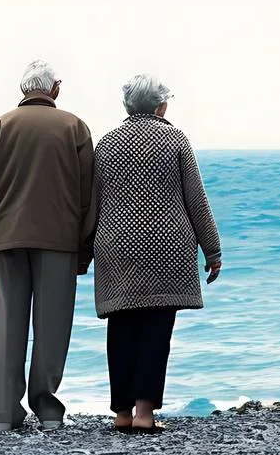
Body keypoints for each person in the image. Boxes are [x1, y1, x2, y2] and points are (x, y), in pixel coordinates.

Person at [0, 59, 98, 432]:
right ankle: (48, 410)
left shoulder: (0, 127)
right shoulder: (74, 127)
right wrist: (84, 248)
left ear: (24, 89)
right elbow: (88, 195)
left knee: (7, 327)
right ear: (55, 88)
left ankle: (5, 414)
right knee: (52, 328)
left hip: (6, 238)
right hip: (59, 239)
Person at [92, 73, 223, 434]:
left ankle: (122, 413)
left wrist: (83, 250)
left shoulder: (106, 144)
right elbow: (196, 200)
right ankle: (145, 414)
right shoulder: (175, 139)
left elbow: (93, 201)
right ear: (160, 105)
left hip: (116, 247)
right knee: (155, 332)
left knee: (120, 328)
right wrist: (212, 250)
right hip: (167, 248)